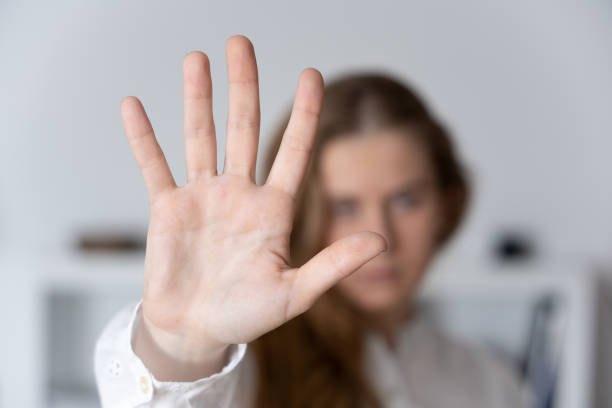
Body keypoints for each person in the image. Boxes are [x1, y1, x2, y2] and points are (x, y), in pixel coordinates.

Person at [94, 34, 531, 407]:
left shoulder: (491, 382)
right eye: (344, 206)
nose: (379, 238)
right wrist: (182, 348)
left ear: (447, 205)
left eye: (405, 199)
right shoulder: (243, 367)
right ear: (303, 216)